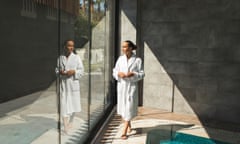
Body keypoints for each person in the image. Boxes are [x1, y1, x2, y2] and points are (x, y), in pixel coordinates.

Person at [112, 40, 145, 140]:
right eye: (122, 47)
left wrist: (133, 74)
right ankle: (129, 125)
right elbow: (115, 70)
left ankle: (124, 131)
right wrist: (118, 74)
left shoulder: (137, 60)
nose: (123, 49)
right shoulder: (120, 59)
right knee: (123, 108)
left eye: (125, 47)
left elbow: (142, 74)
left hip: (131, 87)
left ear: (131, 48)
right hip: (122, 86)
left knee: (129, 107)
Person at [56, 39, 84, 134]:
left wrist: (74, 71)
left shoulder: (77, 58)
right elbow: (56, 70)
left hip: (73, 84)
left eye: (72, 46)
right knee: (63, 105)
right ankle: (65, 126)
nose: (71, 48)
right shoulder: (60, 58)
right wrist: (60, 72)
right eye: (69, 45)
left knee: (74, 104)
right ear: (65, 47)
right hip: (63, 84)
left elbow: (81, 71)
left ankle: (71, 121)